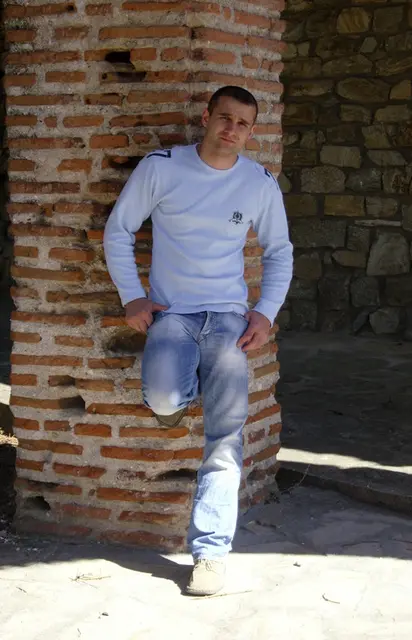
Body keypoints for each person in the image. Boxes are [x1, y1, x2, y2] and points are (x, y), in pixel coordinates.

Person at [104, 85, 293, 596]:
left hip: (230, 318)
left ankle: (210, 554)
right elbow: (119, 230)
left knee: (225, 437)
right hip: (171, 313)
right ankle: (180, 397)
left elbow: (279, 250)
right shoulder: (162, 167)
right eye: (225, 118)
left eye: (243, 124)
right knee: (164, 396)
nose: (232, 129)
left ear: (251, 131)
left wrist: (265, 312)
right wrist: (132, 297)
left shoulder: (258, 182)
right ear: (207, 117)